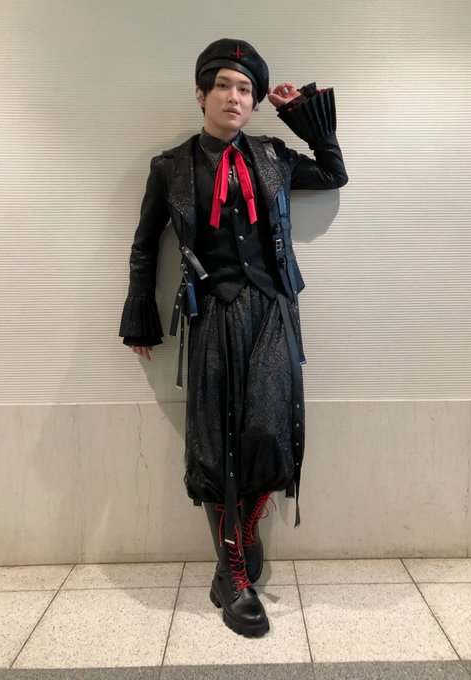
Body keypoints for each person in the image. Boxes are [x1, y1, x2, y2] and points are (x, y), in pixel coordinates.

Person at [119, 38, 348, 638]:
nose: (234, 96)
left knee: (269, 432)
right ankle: (233, 573)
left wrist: (300, 113)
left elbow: (333, 172)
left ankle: (244, 536)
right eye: (223, 85)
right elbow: (145, 245)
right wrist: (140, 312)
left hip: (272, 310)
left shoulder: (273, 156)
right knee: (214, 443)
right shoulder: (171, 167)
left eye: (245, 89)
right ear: (201, 94)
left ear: (254, 102)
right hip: (211, 312)